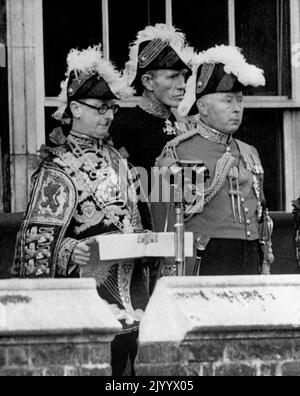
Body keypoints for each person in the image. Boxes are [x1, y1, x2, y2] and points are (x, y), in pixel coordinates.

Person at [11, 45, 151, 376]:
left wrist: (145, 239)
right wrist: (70, 249)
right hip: (87, 301)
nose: (109, 115)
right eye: (101, 108)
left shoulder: (120, 161)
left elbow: (131, 219)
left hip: (133, 295)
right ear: (75, 108)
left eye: (112, 108)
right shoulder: (57, 168)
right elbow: (35, 242)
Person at [158, 45, 274, 276]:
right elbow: (163, 223)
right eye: (227, 101)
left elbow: (262, 213)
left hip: (250, 256)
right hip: (207, 258)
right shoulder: (178, 152)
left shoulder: (249, 151)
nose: (236, 109)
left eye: (239, 101)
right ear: (202, 107)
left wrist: (265, 258)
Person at [109, 24, 193, 287]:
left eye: (183, 77)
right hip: (147, 242)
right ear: (147, 81)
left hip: (186, 238)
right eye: (172, 77)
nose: (181, 86)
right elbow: (123, 189)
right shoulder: (126, 125)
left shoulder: (185, 125)